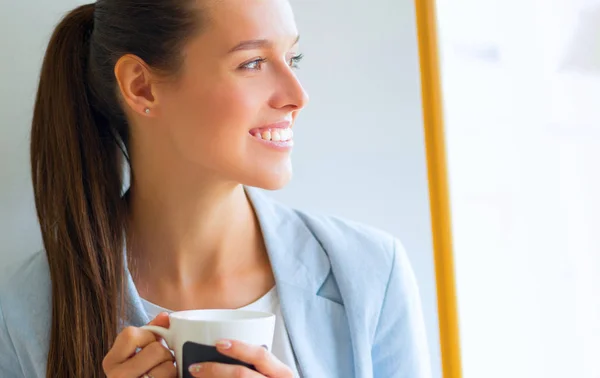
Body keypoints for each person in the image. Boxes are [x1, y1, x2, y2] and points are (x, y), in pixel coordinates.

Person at [0, 0, 431, 377]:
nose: (297, 96)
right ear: (141, 86)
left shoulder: (371, 273)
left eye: (292, 58)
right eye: (253, 63)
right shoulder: (24, 313)